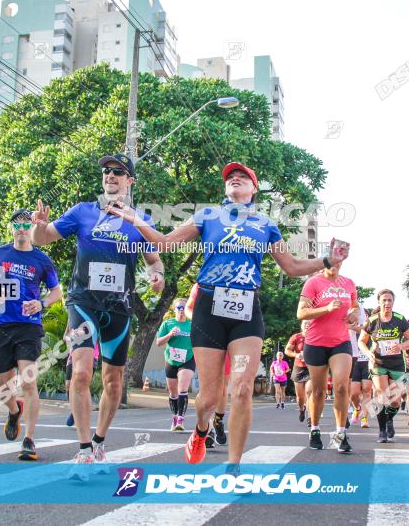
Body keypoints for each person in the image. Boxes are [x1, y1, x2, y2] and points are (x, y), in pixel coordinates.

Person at [105, 161, 349, 466]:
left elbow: (293, 267)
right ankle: (201, 429)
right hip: (209, 308)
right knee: (208, 397)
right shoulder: (208, 215)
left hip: (246, 311)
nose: (235, 179)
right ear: (225, 188)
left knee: (243, 389)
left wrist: (327, 259)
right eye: (230, 177)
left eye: (242, 177)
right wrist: (135, 221)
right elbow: (166, 244)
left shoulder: (265, 225)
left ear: (253, 189)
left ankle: (233, 465)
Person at [31, 153, 165, 480]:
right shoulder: (82, 212)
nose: (110, 175)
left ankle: (100, 440)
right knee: (80, 373)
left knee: (113, 380)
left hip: (119, 307)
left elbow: (155, 260)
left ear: (130, 180)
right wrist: (37, 227)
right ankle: (83, 449)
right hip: (82, 302)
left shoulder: (138, 221)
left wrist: (158, 275)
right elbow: (44, 238)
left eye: (118, 172)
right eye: (107, 171)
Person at [0, 209, 62, 461]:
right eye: (17, 224)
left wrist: (42, 303)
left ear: (31, 228)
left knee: (28, 382)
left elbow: (56, 292)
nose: (22, 228)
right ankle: (14, 411)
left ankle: (29, 440)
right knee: (4, 388)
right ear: (11, 228)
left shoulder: (42, 259)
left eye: (26, 224)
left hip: (28, 327)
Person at [298, 262, 359, 452]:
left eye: (338, 260)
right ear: (325, 262)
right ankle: (314, 430)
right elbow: (301, 313)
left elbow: (355, 307)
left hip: (341, 342)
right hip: (316, 343)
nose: (335, 263)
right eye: (331, 259)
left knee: (341, 387)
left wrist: (354, 315)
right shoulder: (313, 283)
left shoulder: (348, 283)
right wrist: (327, 308)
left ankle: (341, 434)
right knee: (318, 391)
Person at [360, 289, 409, 443]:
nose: (387, 303)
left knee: (396, 401)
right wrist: (368, 353)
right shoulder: (372, 321)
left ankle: (389, 419)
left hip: (397, 364)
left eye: (389, 300)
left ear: (393, 302)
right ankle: (382, 431)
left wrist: (401, 346)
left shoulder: (399, 319)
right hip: (378, 363)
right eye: (384, 300)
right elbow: (361, 341)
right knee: (381, 394)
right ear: (379, 302)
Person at [185, 282, 227, 449]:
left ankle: (217, 421)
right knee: (208, 387)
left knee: (222, 387)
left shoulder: (240, 281)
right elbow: (189, 308)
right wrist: (199, 319)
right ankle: (207, 428)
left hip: (228, 338)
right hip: (207, 339)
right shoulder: (201, 284)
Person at [157, 298, 195, 432]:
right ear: (174, 310)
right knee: (173, 393)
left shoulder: (192, 324)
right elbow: (158, 342)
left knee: (182, 389)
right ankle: (174, 416)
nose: (181, 310)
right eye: (179, 307)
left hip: (188, 359)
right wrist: (170, 334)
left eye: (184, 308)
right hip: (171, 360)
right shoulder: (167, 324)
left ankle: (180, 419)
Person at [349, 307, 372, 429]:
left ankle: (365, 418)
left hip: (367, 363)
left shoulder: (371, 329)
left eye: (365, 316)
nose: (363, 318)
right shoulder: (350, 328)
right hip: (354, 362)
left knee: (367, 391)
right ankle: (357, 408)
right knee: (354, 394)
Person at [285, 320, 311, 423]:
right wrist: (296, 355)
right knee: (300, 397)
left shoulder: (316, 336)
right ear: (302, 326)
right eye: (305, 324)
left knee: (309, 392)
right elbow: (287, 350)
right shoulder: (296, 337)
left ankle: (310, 416)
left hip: (311, 368)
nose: (307, 325)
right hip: (299, 367)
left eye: (309, 323)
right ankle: (301, 409)